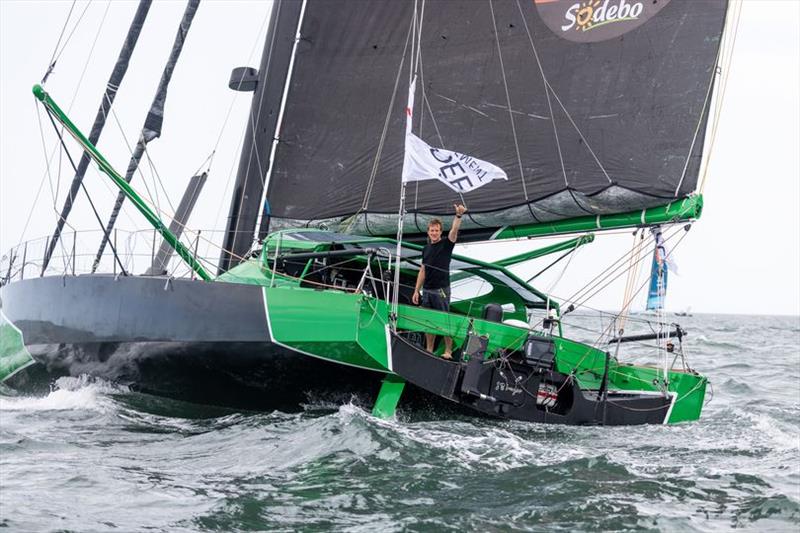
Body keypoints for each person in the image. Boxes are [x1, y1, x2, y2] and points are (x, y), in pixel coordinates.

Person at [412, 204, 467, 359]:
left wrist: (458, 216)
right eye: (432, 230)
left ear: (440, 232)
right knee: (429, 321)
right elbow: (422, 270)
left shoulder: (446, 244)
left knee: (444, 321)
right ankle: (429, 350)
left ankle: (448, 351)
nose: (434, 233)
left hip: (441, 289)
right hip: (427, 290)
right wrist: (417, 290)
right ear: (428, 232)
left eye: (436, 230)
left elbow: (454, 231)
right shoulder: (426, 249)